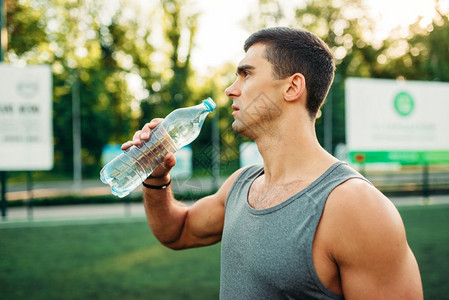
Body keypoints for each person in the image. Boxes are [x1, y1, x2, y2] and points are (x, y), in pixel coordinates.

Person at [122, 27, 423, 299]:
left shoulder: (356, 207)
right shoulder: (242, 184)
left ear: (292, 87)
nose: (231, 89)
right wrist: (155, 176)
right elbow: (176, 232)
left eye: (246, 74)